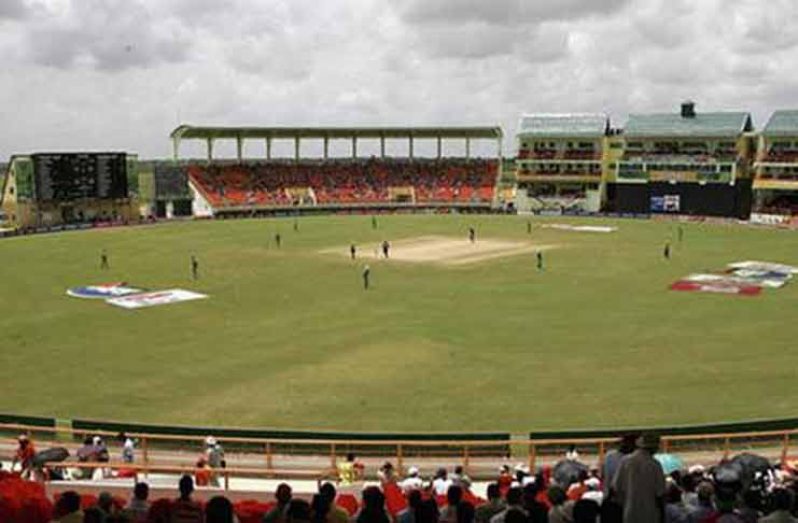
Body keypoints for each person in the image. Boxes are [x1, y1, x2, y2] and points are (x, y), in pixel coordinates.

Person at [612, 433, 667, 523]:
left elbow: (616, 489)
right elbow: (660, 494)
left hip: (629, 513)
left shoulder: (625, 461)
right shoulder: (655, 464)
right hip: (650, 514)